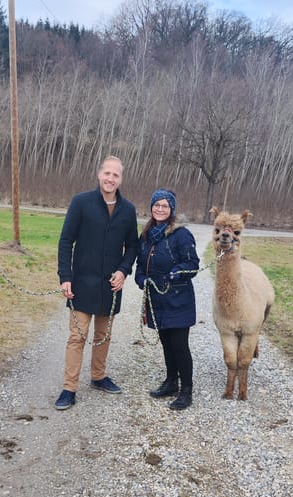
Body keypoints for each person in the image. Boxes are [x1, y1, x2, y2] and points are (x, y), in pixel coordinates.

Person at [55, 156, 139, 410]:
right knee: (76, 337)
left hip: (110, 286)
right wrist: (65, 276)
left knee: (104, 336)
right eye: (107, 173)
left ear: (120, 179)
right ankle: (69, 388)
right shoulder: (81, 202)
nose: (110, 178)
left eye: (116, 175)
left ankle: (98, 376)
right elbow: (66, 240)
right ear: (99, 174)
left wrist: (124, 271)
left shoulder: (128, 210)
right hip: (81, 283)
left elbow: (133, 245)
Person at [134, 189, 199, 410]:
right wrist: (141, 278)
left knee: (179, 345)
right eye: (156, 205)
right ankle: (171, 382)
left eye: (164, 206)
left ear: (171, 209)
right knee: (166, 343)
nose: (160, 209)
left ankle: (186, 390)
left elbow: (192, 265)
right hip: (157, 300)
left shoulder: (182, 235)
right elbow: (141, 265)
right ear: (151, 207)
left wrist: (175, 273)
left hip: (178, 300)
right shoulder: (147, 235)